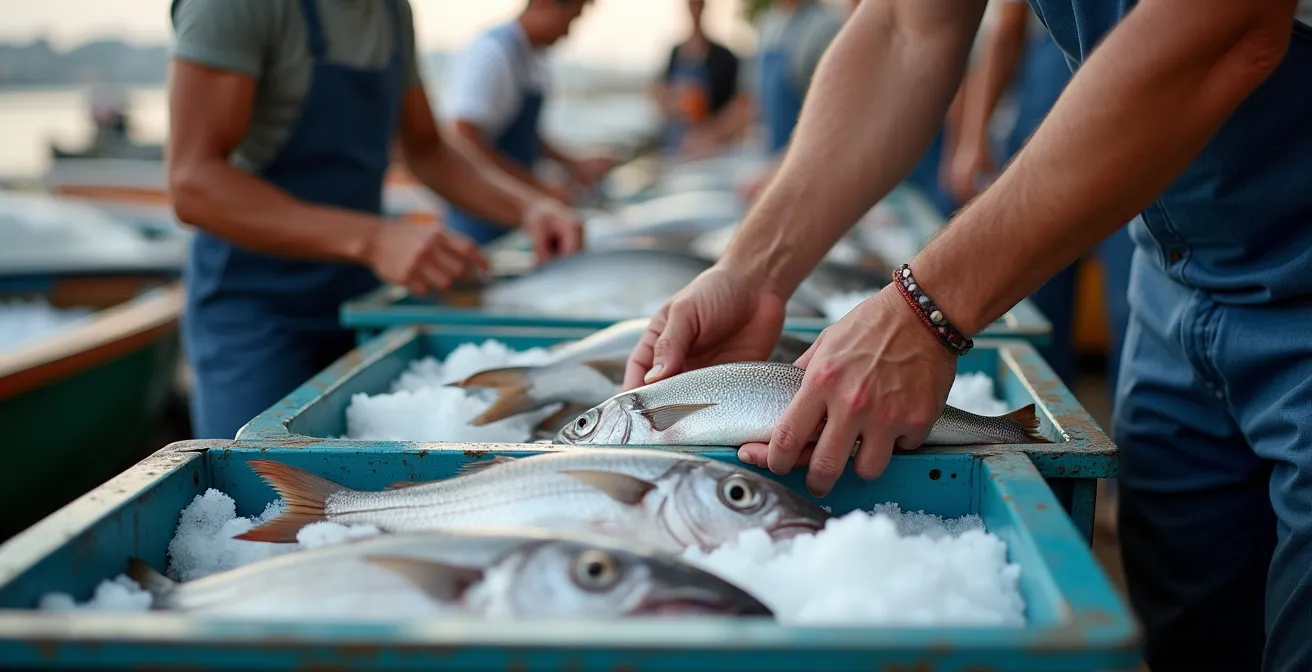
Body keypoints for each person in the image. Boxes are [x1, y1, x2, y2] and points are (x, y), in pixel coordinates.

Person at [624, 0, 1312, 669]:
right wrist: (753, 269)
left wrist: (924, 311)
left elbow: (1226, 28)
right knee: (1189, 635)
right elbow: (904, 27)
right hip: (1175, 279)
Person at [168, 0, 584, 440]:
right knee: (258, 486)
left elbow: (427, 149)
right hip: (254, 313)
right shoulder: (234, 8)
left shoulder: (390, 12)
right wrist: (372, 239)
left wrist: (530, 208)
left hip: (360, 303)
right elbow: (194, 183)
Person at [946, 0, 1133, 391]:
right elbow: (1005, 29)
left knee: (1049, 299)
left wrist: (973, 138)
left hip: (1088, 98)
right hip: (1094, 94)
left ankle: (1050, 431)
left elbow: (1006, 29)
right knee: (1118, 309)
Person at [440, 0, 615, 247]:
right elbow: (463, 141)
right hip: (479, 219)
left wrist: (572, 163)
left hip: (518, 214)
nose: (567, 32)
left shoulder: (534, 58)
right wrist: (539, 192)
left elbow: (524, 132)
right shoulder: (491, 53)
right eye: (570, 20)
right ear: (544, 4)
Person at [730, 0, 845, 201]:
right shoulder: (767, 25)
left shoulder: (826, 26)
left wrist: (782, 168)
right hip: (774, 164)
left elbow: (835, 121)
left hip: (813, 174)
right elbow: (751, 104)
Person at [651, 0, 744, 159]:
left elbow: (740, 105)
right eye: (691, 4)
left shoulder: (723, 56)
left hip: (711, 150)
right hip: (675, 145)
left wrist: (714, 133)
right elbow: (658, 90)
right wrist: (670, 103)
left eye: (697, 4)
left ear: (704, 7)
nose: (695, 9)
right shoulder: (675, 53)